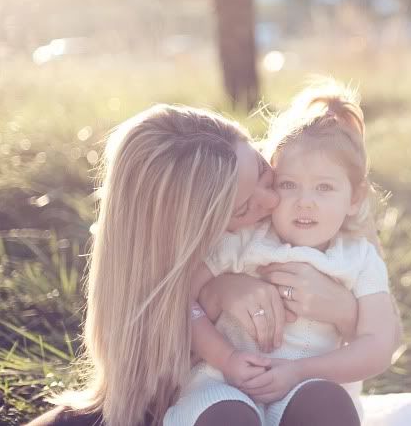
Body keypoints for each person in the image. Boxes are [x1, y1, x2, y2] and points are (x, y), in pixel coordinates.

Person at [27, 96, 411, 426]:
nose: (277, 204)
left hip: (303, 391)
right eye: (248, 205)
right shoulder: (221, 255)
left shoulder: (332, 217)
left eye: (268, 175)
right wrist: (215, 293)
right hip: (220, 392)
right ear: (196, 234)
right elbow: (183, 301)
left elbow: (380, 337)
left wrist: (340, 310)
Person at [166, 82, 395, 426]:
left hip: (304, 387)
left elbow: (378, 346)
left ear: (355, 198)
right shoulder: (245, 239)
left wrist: (300, 370)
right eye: (289, 184)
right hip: (225, 383)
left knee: (325, 405)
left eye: (324, 187)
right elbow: (184, 302)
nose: (305, 201)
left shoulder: (359, 259)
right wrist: (227, 359)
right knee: (227, 417)